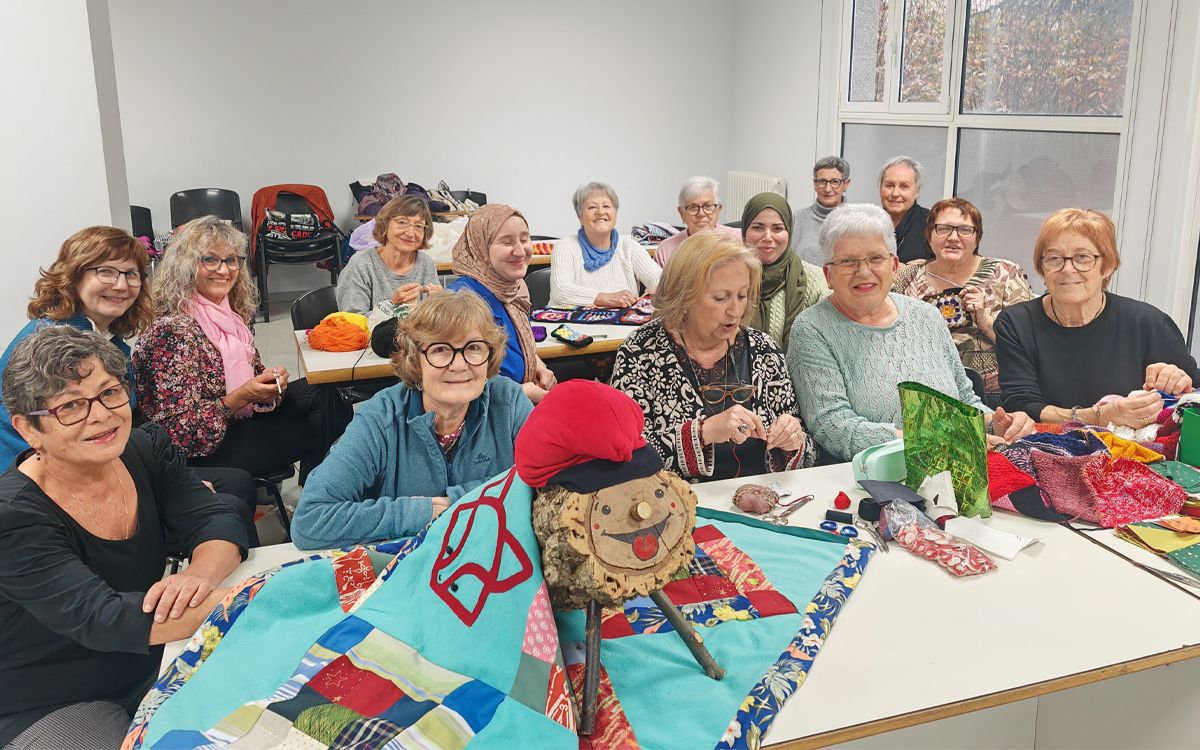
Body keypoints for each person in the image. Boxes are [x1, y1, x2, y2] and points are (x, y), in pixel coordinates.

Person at [0, 327, 247, 750]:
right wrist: (259, 596)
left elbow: (215, 517)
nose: (101, 416)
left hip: (151, 651)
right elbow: (104, 618)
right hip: (52, 696)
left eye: (109, 393)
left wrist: (199, 576)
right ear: (28, 430)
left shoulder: (143, 448)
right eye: (70, 406)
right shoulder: (13, 516)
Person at [0, 226, 261, 544]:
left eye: (131, 274)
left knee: (236, 484)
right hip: (47, 485)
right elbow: (60, 444)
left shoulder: (106, 339)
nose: (121, 285)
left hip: (95, 460)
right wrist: (157, 485)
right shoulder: (56, 345)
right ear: (74, 276)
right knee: (228, 502)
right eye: (106, 272)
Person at [787, 204, 1035, 463]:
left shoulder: (926, 315)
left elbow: (964, 398)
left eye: (875, 258)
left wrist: (994, 423)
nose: (863, 271)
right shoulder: (813, 329)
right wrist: (937, 441)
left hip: (955, 474)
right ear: (828, 274)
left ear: (894, 266)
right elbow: (835, 429)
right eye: (848, 261)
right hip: (867, 485)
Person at [291, 292, 533, 549]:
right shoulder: (380, 420)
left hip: (490, 556)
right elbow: (310, 519)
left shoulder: (509, 402)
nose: (460, 364)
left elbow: (551, 484)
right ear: (415, 361)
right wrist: (418, 513)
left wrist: (455, 503)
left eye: (473, 348)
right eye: (440, 349)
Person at [133, 216, 350, 481]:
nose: (224, 270)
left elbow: (253, 371)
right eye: (210, 259)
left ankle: (311, 492)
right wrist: (240, 397)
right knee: (319, 425)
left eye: (231, 259)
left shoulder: (230, 314)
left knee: (327, 396)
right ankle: (311, 495)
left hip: (233, 419)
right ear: (185, 266)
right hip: (197, 452)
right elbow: (179, 433)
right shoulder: (173, 331)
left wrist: (270, 382)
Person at [609, 232, 813, 481]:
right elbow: (625, 457)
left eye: (742, 295)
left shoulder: (763, 350)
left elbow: (807, 455)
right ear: (684, 296)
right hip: (677, 509)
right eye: (721, 298)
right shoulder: (641, 352)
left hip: (763, 504)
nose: (735, 311)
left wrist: (793, 440)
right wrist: (703, 432)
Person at [995, 208, 1199, 427]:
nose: (1067, 269)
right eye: (1054, 258)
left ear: (1108, 266)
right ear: (1042, 268)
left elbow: (1193, 394)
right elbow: (1021, 405)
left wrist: (1178, 381)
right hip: (1048, 448)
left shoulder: (1148, 323)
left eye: (1082, 257)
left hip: (1136, 452)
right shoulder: (1016, 324)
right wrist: (1098, 417)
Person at [892, 197, 1034, 404]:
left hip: (996, 396)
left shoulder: (1005, 274)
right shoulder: (908, 276)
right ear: (929, 235)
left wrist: (985, 322)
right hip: (927, 394)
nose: (953, 237)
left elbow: (1028, 347)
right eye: (944, 229)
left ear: (977, 238)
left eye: (965, 230)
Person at [445, 204, 557, 403]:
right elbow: (454, 384)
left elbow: (517, 346)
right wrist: (523, 391)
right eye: (506, 242)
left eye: (524, 239)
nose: (520, 251)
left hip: (515, 408)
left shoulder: (513, 288)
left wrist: (539, 366)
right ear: (480, 246)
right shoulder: (460, 301)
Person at [548, 182, 661, 308]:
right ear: (580, 216)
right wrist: (604, 298)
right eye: (592, 207)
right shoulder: (565, 246)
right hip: (570, 324)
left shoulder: (629, 246)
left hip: (623, 324)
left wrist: (657, 289)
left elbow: (659, 278)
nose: (601, 212)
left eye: (606, 206)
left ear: (615, 214)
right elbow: (561, 290)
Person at [741, 192, 828, 352]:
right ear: (744, 230)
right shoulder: (727, 277)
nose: (767, 237)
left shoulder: (814, 281)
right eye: (758, 227)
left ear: (789, 231)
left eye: (778, 228)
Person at [335, 195, 441, 315]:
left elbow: (432, 321)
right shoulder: (361, 264)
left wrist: (440, 303)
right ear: (385, 223)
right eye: (402, 222)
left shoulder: (426, 263)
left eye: (418, 226)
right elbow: (352, 324)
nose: (411, 233)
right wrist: (391, 307)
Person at [653, 176, 743, 269]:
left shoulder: (739, 240)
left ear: (718, 210)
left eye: (708, 206)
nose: (701, 213)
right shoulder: (666, 250)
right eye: (693, 207)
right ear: (681, 213)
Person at [792, 157, 852, 265]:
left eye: (835, 182)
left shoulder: (857, 221)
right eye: (822, 181)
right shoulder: (796, 219)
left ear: (846, 184)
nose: (828, 189)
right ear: (814, 184)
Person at [879, 156, 934, 263]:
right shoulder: (868, 224)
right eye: (889, 185)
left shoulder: (932, 224)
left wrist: (923, 268)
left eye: (904, 186)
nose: (895, 193)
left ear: (917, 192)